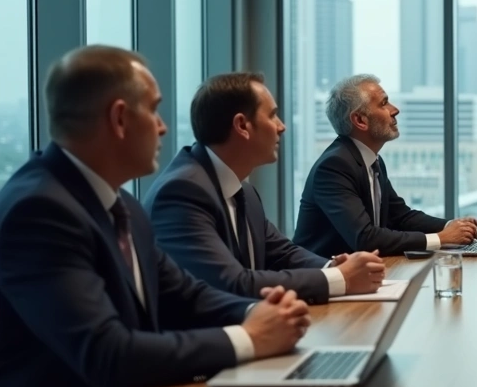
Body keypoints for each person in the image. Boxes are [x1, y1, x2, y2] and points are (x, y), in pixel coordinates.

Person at [0, 46, 309, 387]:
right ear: (120, 118)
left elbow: (187, 295)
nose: (164, 128)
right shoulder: (40, 210)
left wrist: (264, 310)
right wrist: (250, 337)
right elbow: (108, 354)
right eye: (155, 110)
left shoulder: (122, 206)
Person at [144, 73, 386, 304]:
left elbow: (283, 253)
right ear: (242, 125)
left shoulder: (243, 190)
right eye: (272, 116)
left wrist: (334, 267)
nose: (282, 127)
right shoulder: (182, 191)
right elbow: (231, 282)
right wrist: (340, 278)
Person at [294, 74, 477, 257]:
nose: (395, 110)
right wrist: (441, 239)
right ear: (360, 120)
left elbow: (401, 217)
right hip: (324, 280)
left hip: (361, 273)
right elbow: (365, 238)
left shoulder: (372, 160)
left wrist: (452, 226)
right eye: (384, 103)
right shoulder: (334, 166)